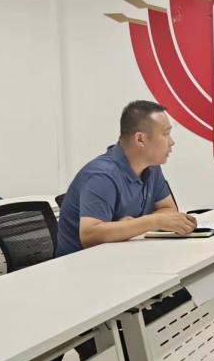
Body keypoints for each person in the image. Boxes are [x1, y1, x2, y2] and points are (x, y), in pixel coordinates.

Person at [56, 100, 195, 257]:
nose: (172, 142)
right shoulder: (101, 176)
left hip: (123, 257)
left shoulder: (151, 167)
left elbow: (169, 210)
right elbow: (90, 235)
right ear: (140, 139)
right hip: (83, 265)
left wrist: (132, 226)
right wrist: (152, 222)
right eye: (165, 134)